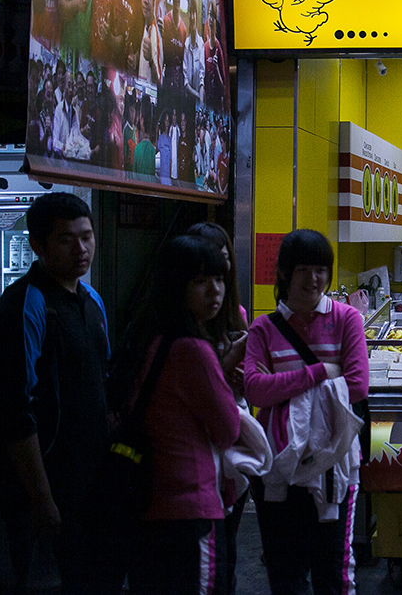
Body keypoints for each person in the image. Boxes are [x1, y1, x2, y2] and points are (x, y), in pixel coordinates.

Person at [0, 193, 117, 594]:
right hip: (48, 484)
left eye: (87, 236)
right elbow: (13, 408)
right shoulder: (26, 305)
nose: (81, 249)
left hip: (92, 478)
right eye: (66, 240)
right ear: (38, 246)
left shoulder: (90, 300)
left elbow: (100, 381)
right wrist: (41, 498)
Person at [244, 229, 368, 595]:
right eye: (303, 270)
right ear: (284, 273)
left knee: (333, 571)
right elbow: (255, 389)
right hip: (278, 467)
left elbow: (358, 384)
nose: (314, 279)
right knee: (285, 572)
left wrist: (283, 382)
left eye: (321, 270)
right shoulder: (263, 329)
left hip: (334, 465)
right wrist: (320, 373)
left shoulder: (346, 320)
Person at [118, 236, 241, 595]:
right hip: (191, 510)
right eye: (200, 281)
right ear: (176, 285)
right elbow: (228, 429)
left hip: (146, 507)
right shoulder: (193, 351)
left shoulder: (149, 339)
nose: (215, 291)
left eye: (219, 279)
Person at [187, 221, 249, 595]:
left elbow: (247, 382)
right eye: (204, 275)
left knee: (225, 552)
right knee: (207, 562)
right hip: (198, 463)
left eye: (223, 266)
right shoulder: (182, 340)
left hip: (233, 456)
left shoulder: (235, 313)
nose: (216, 284)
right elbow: (208, 393)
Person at [137, 0, 163, 86]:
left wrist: (150, 60)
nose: (145, 1)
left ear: (154, 0)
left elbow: (158, 82)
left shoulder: (155, 34)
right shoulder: (141, 26)